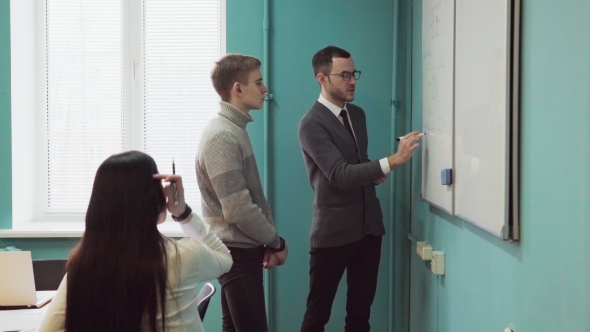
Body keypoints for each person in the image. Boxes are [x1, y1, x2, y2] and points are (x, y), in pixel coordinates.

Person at [298, 46, 422, 332]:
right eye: (344, 75)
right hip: (332, 233)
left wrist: (372, 173)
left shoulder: (357, 114)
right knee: (317, 316)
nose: (352, 80)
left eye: (354, 73)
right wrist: (393, 161)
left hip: (368, 229)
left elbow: (356, 162)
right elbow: (339, 175)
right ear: (322, 79)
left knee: (360, 316)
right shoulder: (311, 123)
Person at [37, 151, 232, 332]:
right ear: (153, 198)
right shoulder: (185, 256)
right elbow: (225, 259)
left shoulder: (83, 268)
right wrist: (183, 212)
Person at [195, 54, 288, 332]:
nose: (265, 88)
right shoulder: (222, 136)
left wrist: (269, 241)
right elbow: (238, 209)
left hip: (240, 251)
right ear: (237, 89)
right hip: (236, 254)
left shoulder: (233, 130)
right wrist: (276, 241)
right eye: (258, 82)